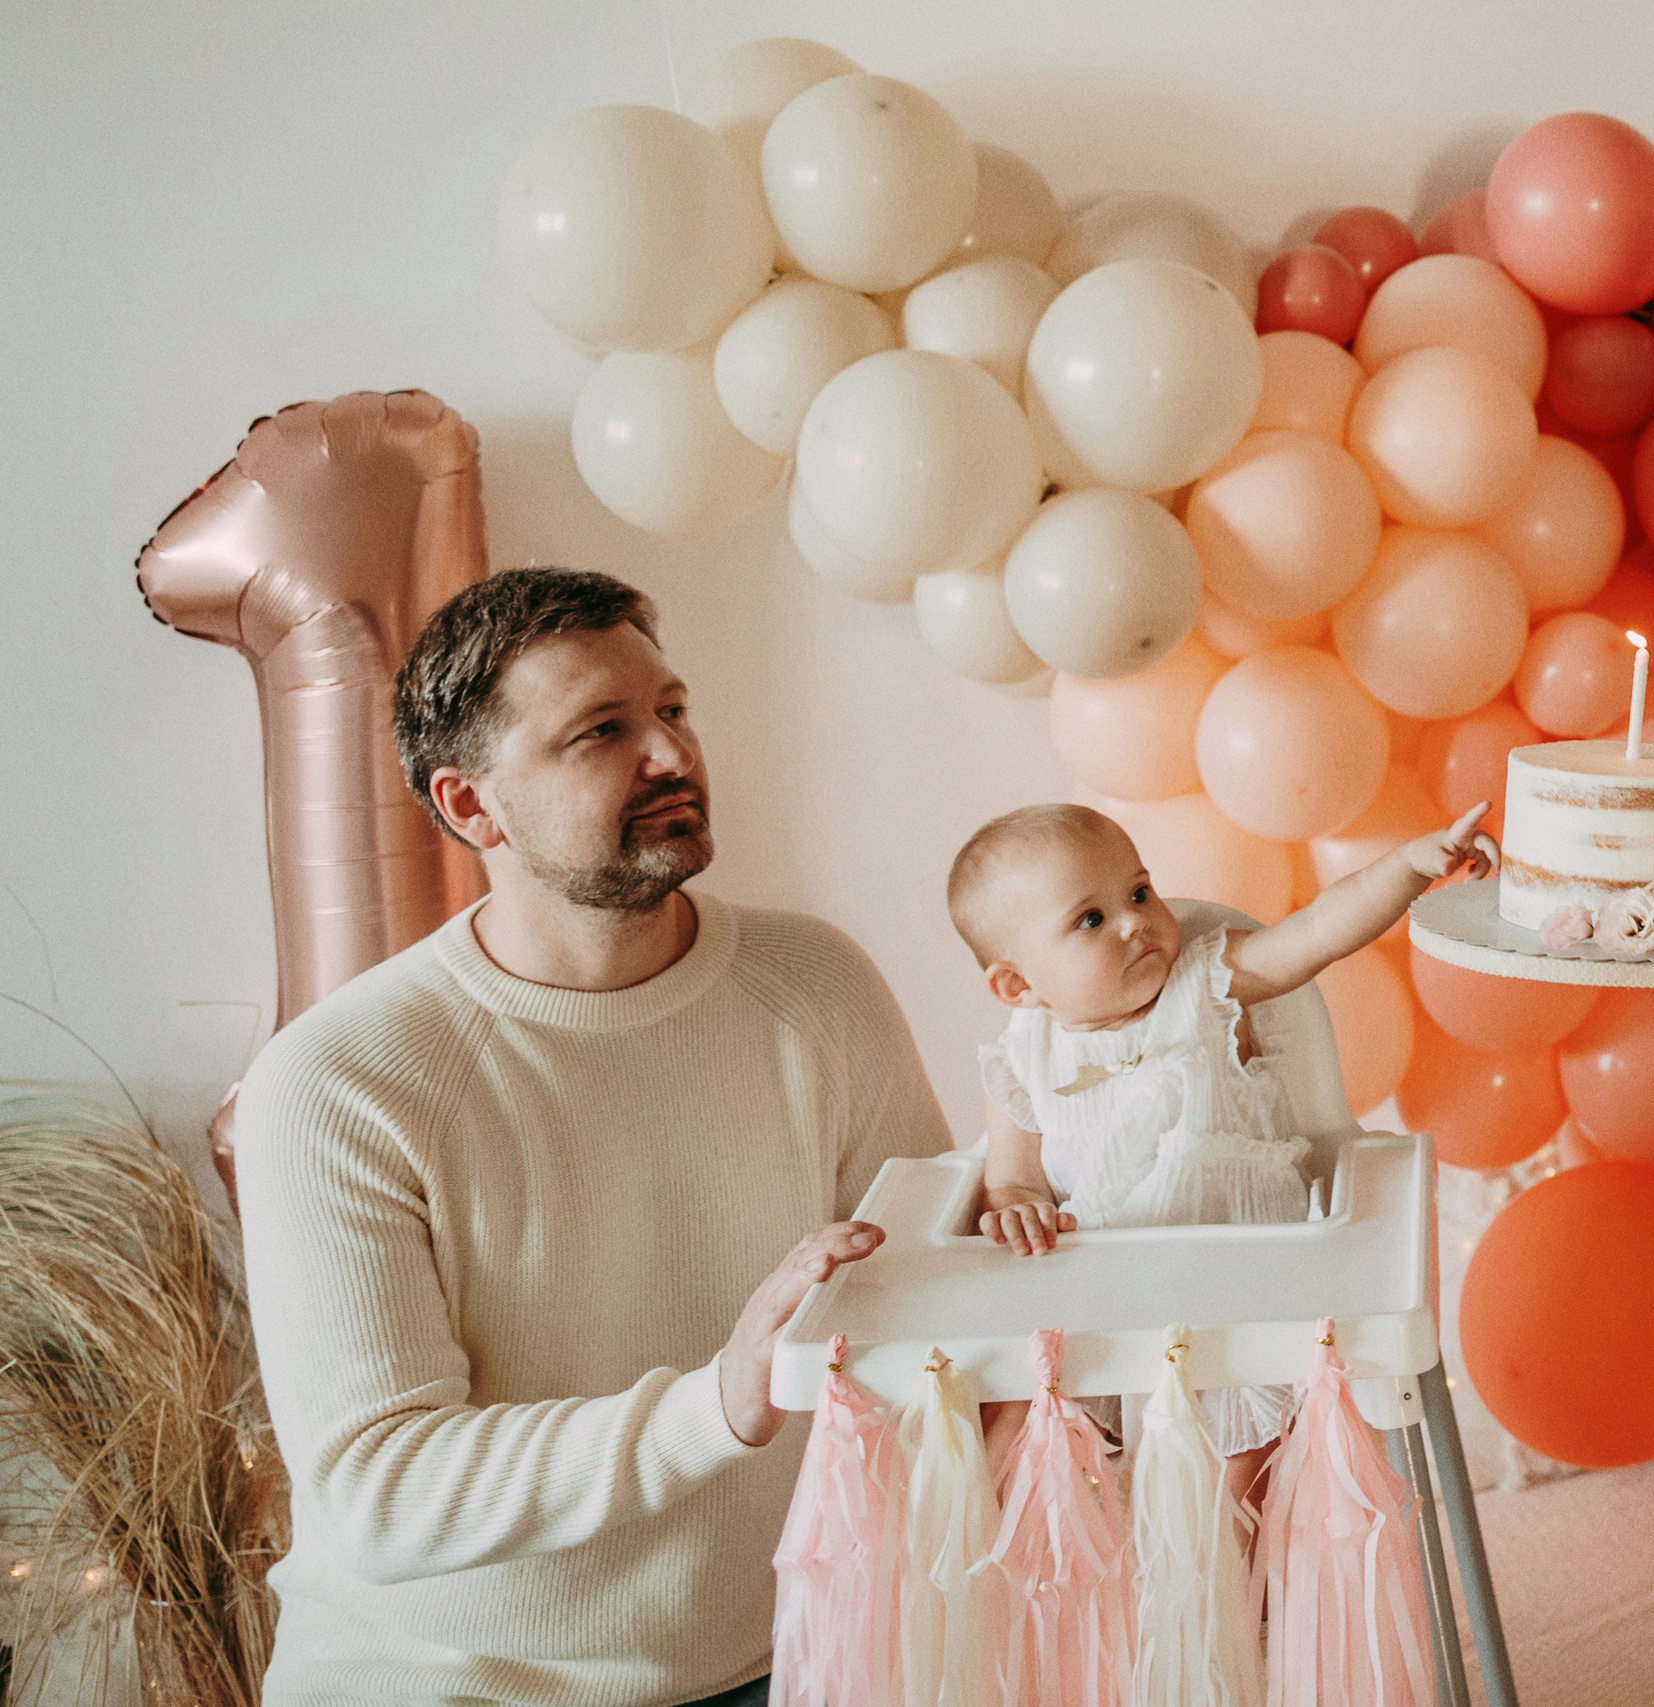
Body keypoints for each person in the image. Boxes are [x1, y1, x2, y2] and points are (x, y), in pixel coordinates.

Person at [233, 568, 951, 1706]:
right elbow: (381, 1489)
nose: (671, 755)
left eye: (669, 710)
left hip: (782, 1660)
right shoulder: (338, 1080)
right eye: (600, 732)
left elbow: (925, 1309)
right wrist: (715, 1403)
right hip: (447, 1685)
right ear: (472, 807)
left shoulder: (817, 985)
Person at [945, 799, 1495, 1499]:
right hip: (1111, 1301)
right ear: (1018, 985)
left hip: (1244, 1295)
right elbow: (1013, 1178)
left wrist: (1411, 866)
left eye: (1139, 891)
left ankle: (1237, 1603)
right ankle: (1114, 1579)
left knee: (1245, 1480)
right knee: (1033, 1434)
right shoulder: (1022, 1060)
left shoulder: (1206, 984)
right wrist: (1017, 1208)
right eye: (1092, 918)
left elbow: (1320, 929)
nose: (1136, 919)